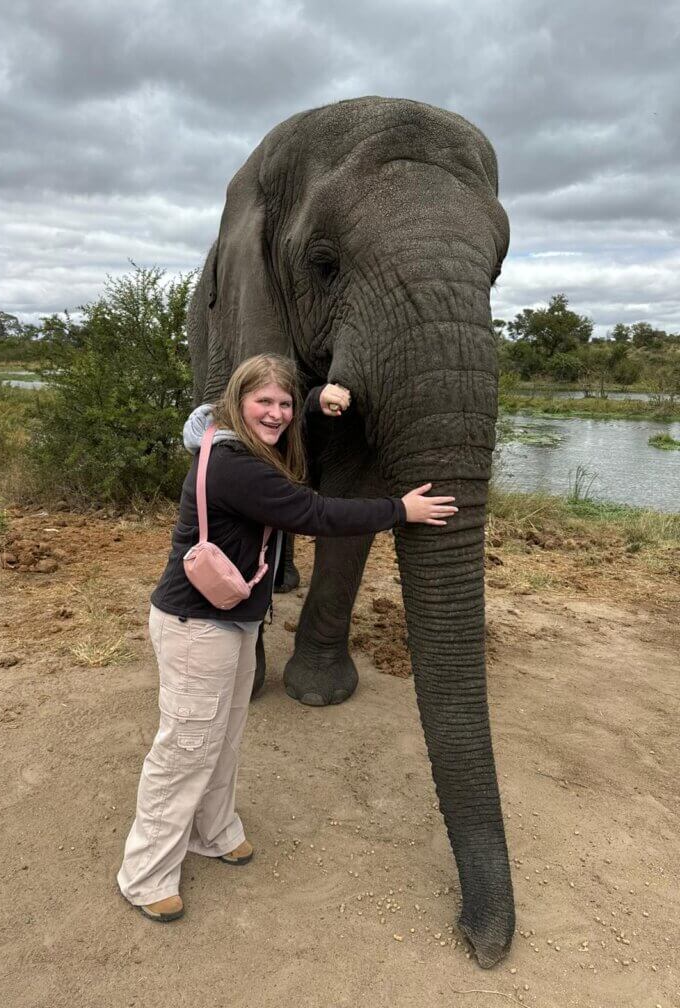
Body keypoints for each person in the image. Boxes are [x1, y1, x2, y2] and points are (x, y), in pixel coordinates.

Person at [117, 354, 458, 922]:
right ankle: (145, 873)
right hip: (197, 626)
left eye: (284, 403)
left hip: (231, 621)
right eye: (263, 402)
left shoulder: (243, 447)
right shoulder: (234, 465)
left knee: (223, 738)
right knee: (186, 748)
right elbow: (311, 513)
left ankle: (212, 830)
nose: (275, 414)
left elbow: (295, 469)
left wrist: (316, 401)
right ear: (237, 402)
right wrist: (400, 509)